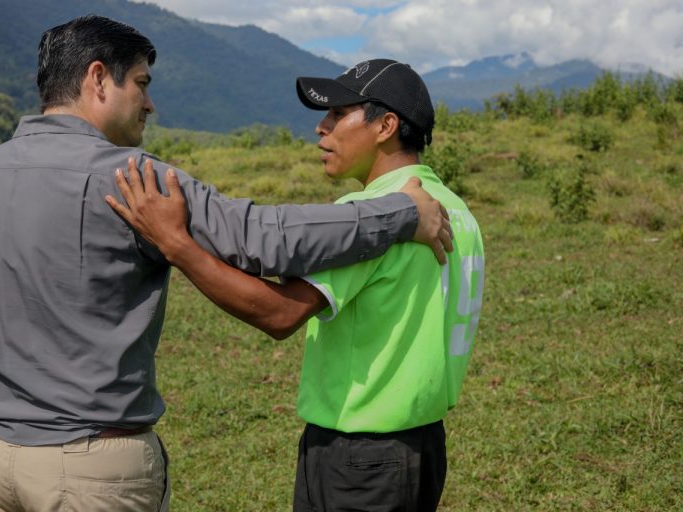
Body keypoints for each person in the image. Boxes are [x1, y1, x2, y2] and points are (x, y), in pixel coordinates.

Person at [0, 16, 453, 512]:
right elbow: (263, 238)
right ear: (98, 79)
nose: (150, 105)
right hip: (90, 469)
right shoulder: (133, 180)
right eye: (142, 84)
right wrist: (401, 213)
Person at [108, 59, 484, 511]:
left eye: (337, 114)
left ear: (386, 126)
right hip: (424, 447)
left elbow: (280, 313)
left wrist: (176, 244)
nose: (321, 128)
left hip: (359, 457)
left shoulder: (377, 216)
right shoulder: (457, 210)